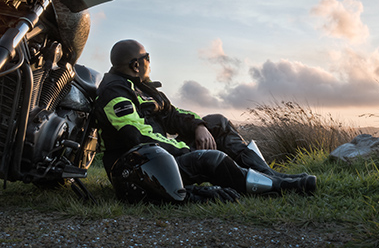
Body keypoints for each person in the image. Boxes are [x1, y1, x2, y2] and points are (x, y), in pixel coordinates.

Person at [94, 39, 317, 203]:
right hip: (144, 168)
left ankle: (271, 176)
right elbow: (137, 136)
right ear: (135, 65)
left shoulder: (143, 86)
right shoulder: (114, 93)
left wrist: (199, 126)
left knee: (217, 122)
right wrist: (185, 149)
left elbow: (172, 114)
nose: (149, 63)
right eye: (147, 58)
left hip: (166, 156)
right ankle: (276, 188)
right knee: (210, 158)